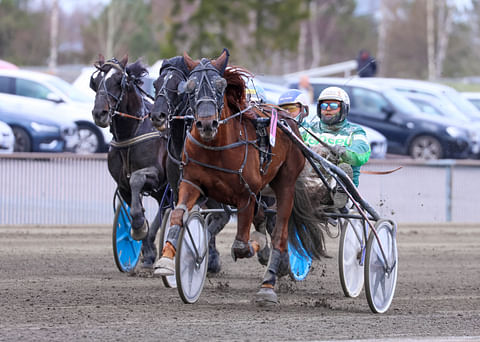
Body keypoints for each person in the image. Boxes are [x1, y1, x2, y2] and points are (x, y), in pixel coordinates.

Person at [279, 86, 371, 209]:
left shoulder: (355, 131)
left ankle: (336, 191)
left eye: (333, 106)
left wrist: (345, 153)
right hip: (305, 178)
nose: (327, 109)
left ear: (343, 108)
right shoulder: (308, 129)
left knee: (328, 156)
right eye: (323, 106)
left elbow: (362, 153)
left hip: (335, 178)